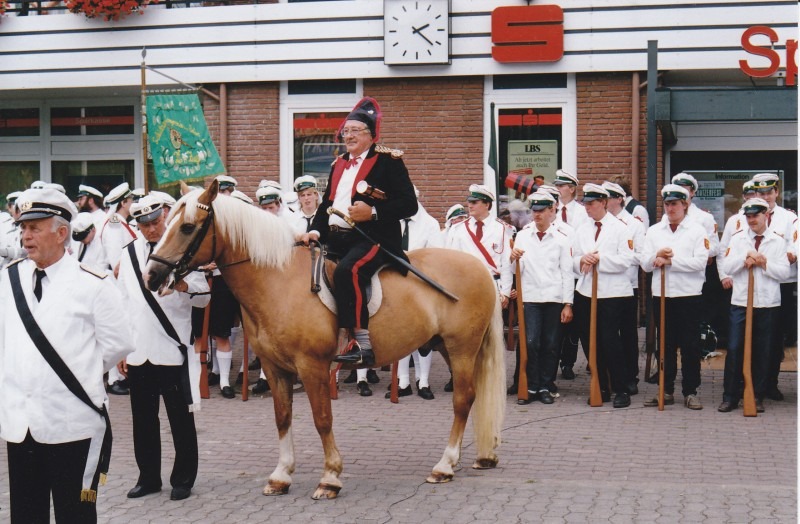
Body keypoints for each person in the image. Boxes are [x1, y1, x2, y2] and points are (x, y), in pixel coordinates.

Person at [0, 187, 133, 523]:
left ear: (61, 233)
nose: (25, 236)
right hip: (22, 424)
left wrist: (79, 371)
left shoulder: (93, 283)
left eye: (34, 228)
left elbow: (117, 344)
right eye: (22, 228)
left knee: (75, 515)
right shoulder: (9, 279)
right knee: (26, 515)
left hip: (72, 422)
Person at [304, 96, 418, 367]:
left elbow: (408, 204)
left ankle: (362, 344)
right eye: (346, 131)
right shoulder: (338, 164)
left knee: (348, 271)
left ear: (370, 135)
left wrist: (374, 213)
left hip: (373, 238)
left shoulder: (388, 161)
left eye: (355, 131)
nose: (349, 136)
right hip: (336, 238)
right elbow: (327, 206)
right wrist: (314, 232)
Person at [117, 195, 210, 501]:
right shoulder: (128, 254)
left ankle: (183, 478)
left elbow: (204, 296)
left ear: (165, 217)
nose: (152, 229)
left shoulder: (181, 250)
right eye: (145, 225)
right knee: (143, 420)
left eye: (156, 222)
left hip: (171, 348)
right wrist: (122, 350)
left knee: (180, 420)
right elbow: (123, 305)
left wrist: (183, 285)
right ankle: (148, 478)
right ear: (138, 227)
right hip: (139, 350)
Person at [640, 184, 710, 410]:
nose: (670, 208)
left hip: (688, 295)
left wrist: (671, 261)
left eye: (675, 204)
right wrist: (655, 256)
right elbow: (644, 263)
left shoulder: (697, 231)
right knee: (665, 345)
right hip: (663, 295)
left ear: (685, 204)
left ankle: (690, 391)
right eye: (667, 204)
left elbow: (700, 262)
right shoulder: (654, 231)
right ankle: (666, 389)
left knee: (690, 346)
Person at [718, 197, 791, 413]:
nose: (751, 220)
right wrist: (744, 259)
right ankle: (730, 396)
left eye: (755, 216)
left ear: (766, 215)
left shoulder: (778, 241)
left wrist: (764, 263)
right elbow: (728, 266)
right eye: (748, 216)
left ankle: (756, 395)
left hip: (767, 303)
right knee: (734, 348)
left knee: (763, 350)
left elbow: (784, 272)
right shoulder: (738, 238)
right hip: (741, 302)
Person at [571, 183, 635, 408]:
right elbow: (573, 258)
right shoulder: (581, 229)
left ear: (604, 203)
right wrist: (582, 260)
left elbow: (627, 260)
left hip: (612, 292)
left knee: (610, 340)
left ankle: (621, 388)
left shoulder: (621, 228)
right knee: (590, 341)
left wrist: (600, 259)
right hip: (587, 291)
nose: (588, 208)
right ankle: (601, 385)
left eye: (592, 204)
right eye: (586, 204)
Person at [510, 191, 574, 405]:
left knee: (550, 344)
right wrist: (512, 259)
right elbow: (515, 269)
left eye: (541, 211)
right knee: (531, 342)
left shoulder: (562, 238)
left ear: (551, 211)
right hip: (530, 297)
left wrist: (568, 304)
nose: (536, 215)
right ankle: (531, 386)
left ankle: (546, 385)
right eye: (534, 211)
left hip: (554, 298)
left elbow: (567, 272)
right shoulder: (523, 235)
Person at [385, 186, 444, 400]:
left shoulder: (429, 224)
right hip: (396, 285)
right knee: (401, 334)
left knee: (422, 336)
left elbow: (435, 256)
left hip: (420, 285)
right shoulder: (393, 221)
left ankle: (424, 380)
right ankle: (402, 381)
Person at [749, 172, 797, 399]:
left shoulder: (789, 218)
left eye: (769, 192)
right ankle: (750, 382)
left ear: (776, 192)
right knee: (754, 334)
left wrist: (788, 255)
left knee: (776, 336)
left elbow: (795, 245)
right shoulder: (748, 215)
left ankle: (770, 383)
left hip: (783, 281)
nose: (765, 196)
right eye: (761, 192)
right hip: (756, 281)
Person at [603, 181, 645, 394]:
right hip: (605, 287)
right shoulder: (602, 223)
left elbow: (639, 255)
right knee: (609, 334)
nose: (606, 201)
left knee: (628, 333)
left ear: (619, 199)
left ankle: (631, 377)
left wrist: (617, 260)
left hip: (628, 285)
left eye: (609, 197)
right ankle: (610, 375)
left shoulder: (633, 224)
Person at [205, 175, 242, 398]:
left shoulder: (237, 219)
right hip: (212, 279)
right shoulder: (211, 219)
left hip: (231, 280)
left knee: (226, 329)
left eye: (227, 192)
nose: (224, 196)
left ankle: (225, 380)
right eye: (221, 193)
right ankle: (219, 374)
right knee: (215, 331)